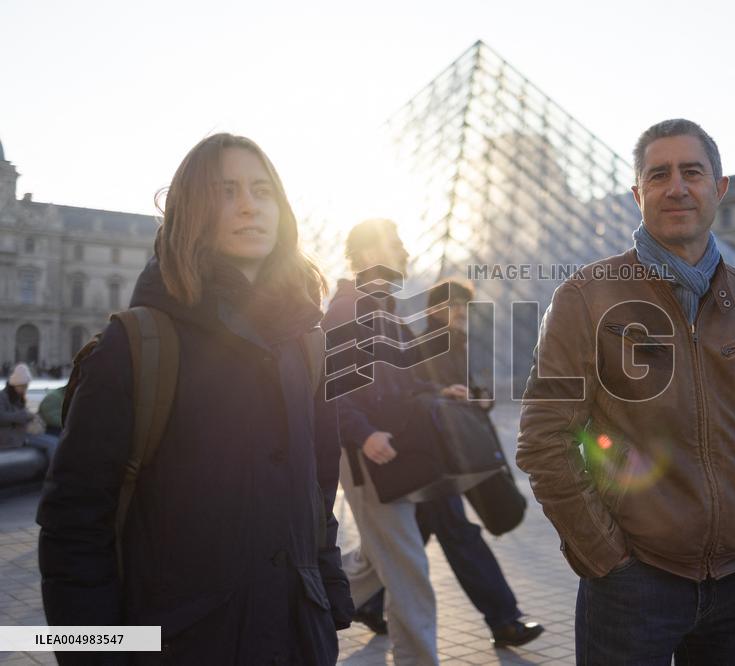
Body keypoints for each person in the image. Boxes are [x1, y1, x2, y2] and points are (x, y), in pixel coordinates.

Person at [517, 118, 735, 664]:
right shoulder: (583, 299)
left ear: (719, 188)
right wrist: (604, 556)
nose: (676, 187)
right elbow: (544, 441)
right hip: (635, 583)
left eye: (692, 172)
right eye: (658, 175)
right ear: (638, 195)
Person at [37, 133, 352, 664]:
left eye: (262, 190)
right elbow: (74, 524)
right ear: (190, 210)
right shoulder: (135, 347)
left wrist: (328, 593)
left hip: (298, 637)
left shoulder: (309, 346)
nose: (249, 204)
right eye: (225, 191)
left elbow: (318, 493)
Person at [351, 279, 544, 648]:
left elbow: (465, 391)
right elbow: (411, 394)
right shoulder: (425, 344)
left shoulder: (456, 344)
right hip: (433, 457)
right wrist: (444, 393)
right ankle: (504, 619)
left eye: (464, 306)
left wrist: (478, 398)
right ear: (435, 307)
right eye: (453, 305)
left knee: (416, 534)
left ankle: (371, 602)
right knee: (459, 534)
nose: (460, 312)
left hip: (449, 454)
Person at [323, 218, 468, 665]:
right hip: (371, 454)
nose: (404, 251)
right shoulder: (347, 311)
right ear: (368, 255)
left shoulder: (388, 311)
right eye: (395, 243)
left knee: (370, 565)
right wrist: (364, 435)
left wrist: (437, 392)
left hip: (393, 450)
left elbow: (407, 382)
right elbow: (335, 388)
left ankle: (295, 606)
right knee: (409, 570)